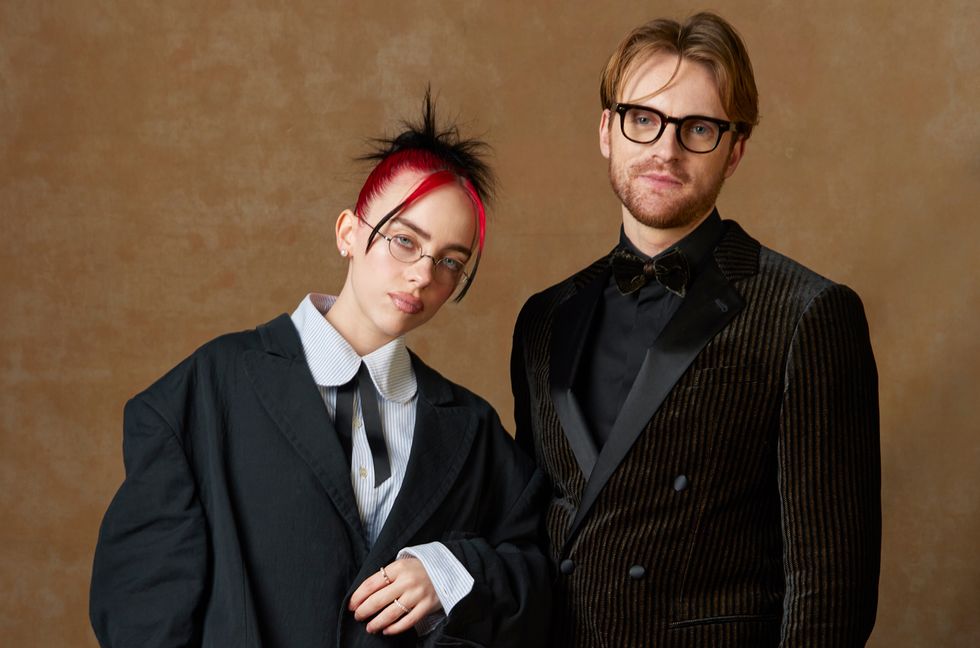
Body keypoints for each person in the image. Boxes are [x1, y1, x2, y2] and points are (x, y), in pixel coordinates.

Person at [91, 94, 551, 647]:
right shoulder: (212, 387)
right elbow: (141, 601)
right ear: (348, 232)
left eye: (451, 261)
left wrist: (449, 573)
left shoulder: (471, 430)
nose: (422, 276)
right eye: (404, 241)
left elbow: (537, 574)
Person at [511, 12, 880, 647]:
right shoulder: (543, 318)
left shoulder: (807, 314)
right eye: (643, 119)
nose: (665, 149)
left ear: (735, 150)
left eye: (699, 128)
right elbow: (525, 528)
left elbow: (829, 590)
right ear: (607, 129)